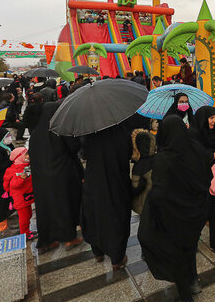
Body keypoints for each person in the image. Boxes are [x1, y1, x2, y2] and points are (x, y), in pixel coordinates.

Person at [138, 115, 210, 302]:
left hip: (173, 217)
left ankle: (186, 295)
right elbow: (207, 175)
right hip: (196, 213)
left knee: (177, 254)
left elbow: (159, 192)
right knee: (190, 248)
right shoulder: (196, 149)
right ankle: (193, 281)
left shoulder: (163, 158)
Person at [28, 96, 84, 254]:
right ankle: (69, 238)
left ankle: (46, 241)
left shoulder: (36, 133)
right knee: (65, 204)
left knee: (44, 209)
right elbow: (73, 147)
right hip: (62, 174)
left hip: (41, 179)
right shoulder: (59, 128)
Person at [80, 117, 138, 270]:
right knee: (117, 216)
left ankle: (98, 252)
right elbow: (127, 154)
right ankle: (117, 258)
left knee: (94, 213)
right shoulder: (121, 130)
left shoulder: (90, 131)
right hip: (116, 180)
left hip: (94, 180)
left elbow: (83, 153)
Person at [189, 105, 215, 255]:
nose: (214, 121)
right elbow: (194, 155)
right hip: (201, 179)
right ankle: (191, 239)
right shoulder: (193, 134)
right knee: (200, 210)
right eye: (211, 118)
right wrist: (212, 153)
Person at [3, 147, 37, 240]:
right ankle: (25, 235)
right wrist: (22, 178)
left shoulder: (24, 166)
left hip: (25, 197)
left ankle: (27, 231)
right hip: (20, 199)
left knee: (29, 215)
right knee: (24, 218)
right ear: (19, 157)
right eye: (25, 154)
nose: (28, 156)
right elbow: (14, 185)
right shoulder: (15, 169)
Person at [130, 128, 157, 215]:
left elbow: (135, 188)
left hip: (143, 205)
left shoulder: (139, 166)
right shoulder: (159, 158)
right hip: (158, 203)